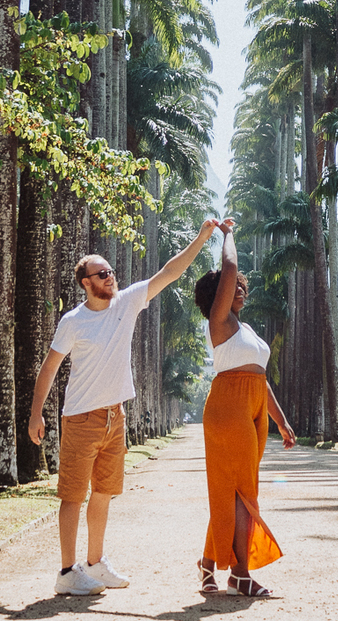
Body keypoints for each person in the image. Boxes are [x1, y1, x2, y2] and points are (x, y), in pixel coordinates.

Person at [29, 217, 222, 596]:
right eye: (102, 274)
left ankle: (95, 564)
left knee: (103, 492)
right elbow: (49, 368)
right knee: (72, 495)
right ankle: (67, 572)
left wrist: (201, 238)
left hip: (114, 416)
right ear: (86, 283)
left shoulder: (128, 302)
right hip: (81, 418)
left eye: (111, 272)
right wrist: (37, 413)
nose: (110, 278)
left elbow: (169, 271)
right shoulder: (74, 321)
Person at [195, 218, 295, 599]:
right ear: (216, 294)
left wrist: (281, 422)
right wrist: (228, 233)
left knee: (235, 491)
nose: (238, 288)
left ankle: (208, 563)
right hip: (228, 407)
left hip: (252, 409)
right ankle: (239, 573)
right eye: (230, 287)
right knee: (240, 493)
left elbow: (261, 378)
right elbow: (232, 266)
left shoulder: (246, 329)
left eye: (239, 288)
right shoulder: (219, 322)